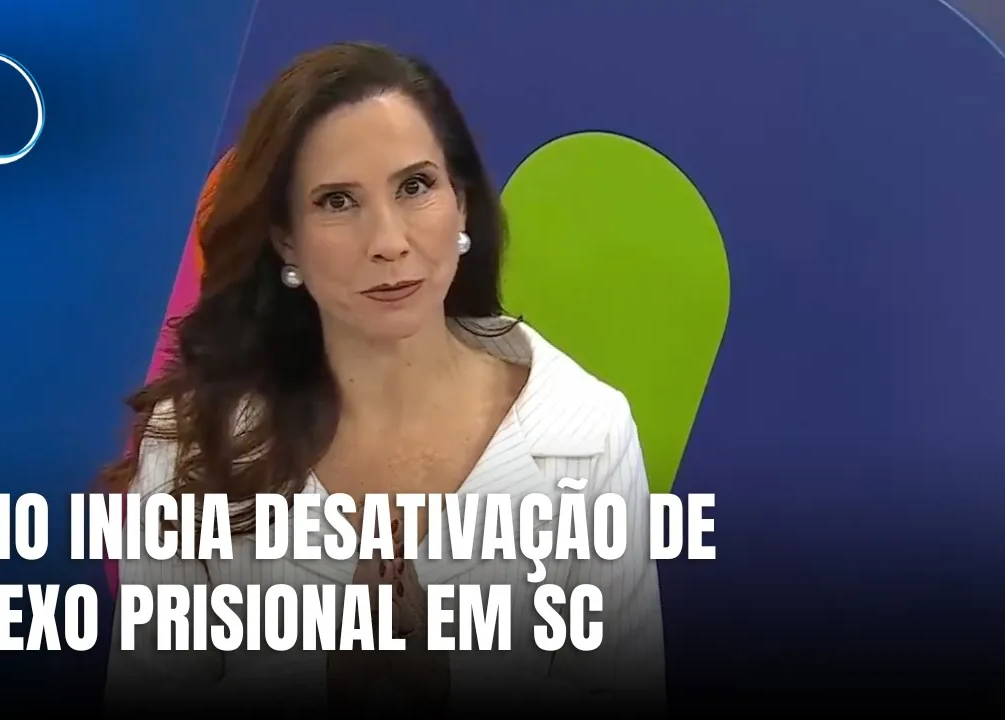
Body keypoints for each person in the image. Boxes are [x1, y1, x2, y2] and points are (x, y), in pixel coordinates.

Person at [101, 41, 666, 714]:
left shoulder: (589, 431)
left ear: (461, 204)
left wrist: (451, 682)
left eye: (415, 187)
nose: (389, 242)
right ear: (286, 239)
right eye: (338, 201)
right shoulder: (193, 438)